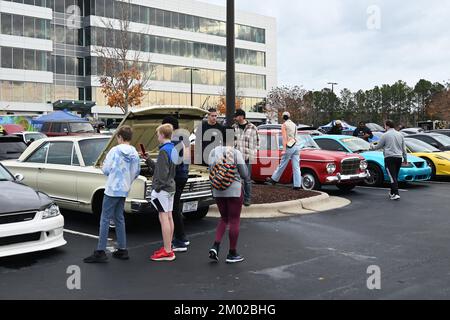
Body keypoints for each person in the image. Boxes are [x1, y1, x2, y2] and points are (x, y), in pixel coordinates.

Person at [84, 126, 140, 263]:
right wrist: (127, 182)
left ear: (120, 137)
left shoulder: (114, 151)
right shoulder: (134, 152)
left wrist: (104, 166)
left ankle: (100, 251)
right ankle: (122, 249)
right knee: (119, 218)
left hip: (112, 188)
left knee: (105, 219)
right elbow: (136, 171)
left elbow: (106, 170)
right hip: (124, 189)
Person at [208, 145, 248, 263]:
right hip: (234, 190)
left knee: (224, 218)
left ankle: (216, 246)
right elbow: (245, 174)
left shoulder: (213, 151)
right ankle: (232, 253)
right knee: (234, 220)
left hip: (218, 190)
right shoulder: (236, 152)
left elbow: (211, 170)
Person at [162, 116, 191, 252]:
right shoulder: (184, 137)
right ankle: (183, 237)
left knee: (173, 209)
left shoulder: (174, 140)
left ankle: (179, 241)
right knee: (176, 207)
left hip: (177, 176)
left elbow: (175, 161)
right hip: (184, 174)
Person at [149, 124, 178, 261]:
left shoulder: (163, 151)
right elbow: (168, 170)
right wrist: (149, 161)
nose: (157, 137)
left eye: (157, 134)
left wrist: (156, 188)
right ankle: (169, 247)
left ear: (161, 135)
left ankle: (167, 251)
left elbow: (161, 174)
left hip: (163, 189)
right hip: (171, 187)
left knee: (163, 218)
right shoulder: (173, 149)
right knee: (169, 216)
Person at [370, 120, 408, 201]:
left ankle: (396, 194)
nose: (384, 127)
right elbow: (404, 148)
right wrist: (405, 159)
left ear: (387, 126)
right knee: (395, 176)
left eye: (384, 126)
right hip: (399, 157)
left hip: (389, 158)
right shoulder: (400, 134)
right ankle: (392, 192)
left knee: (392, 176)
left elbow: (378, 146)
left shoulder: (385, 135)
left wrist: (372, 146)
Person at [266, 112, 302, 190]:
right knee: (296, 167)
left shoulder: (284, 125)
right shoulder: (294, 125)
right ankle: (297, 185)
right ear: (289, 117)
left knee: (282, 164)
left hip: (289, 146)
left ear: (283, 117)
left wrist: (284, 149)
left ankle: (274, 180)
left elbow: (284, 138)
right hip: (297, 146)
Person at [232, 109, 259, 207]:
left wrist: (252, 153)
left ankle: (247, 199)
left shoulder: (252, 127)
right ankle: (237, 198)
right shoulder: (233, 127)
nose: (235, 118)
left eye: (237, 116)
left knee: (247, 180)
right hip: (236, 158)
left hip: (248, 157)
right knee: (236, 180)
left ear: (242, 116)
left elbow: (257, 142)